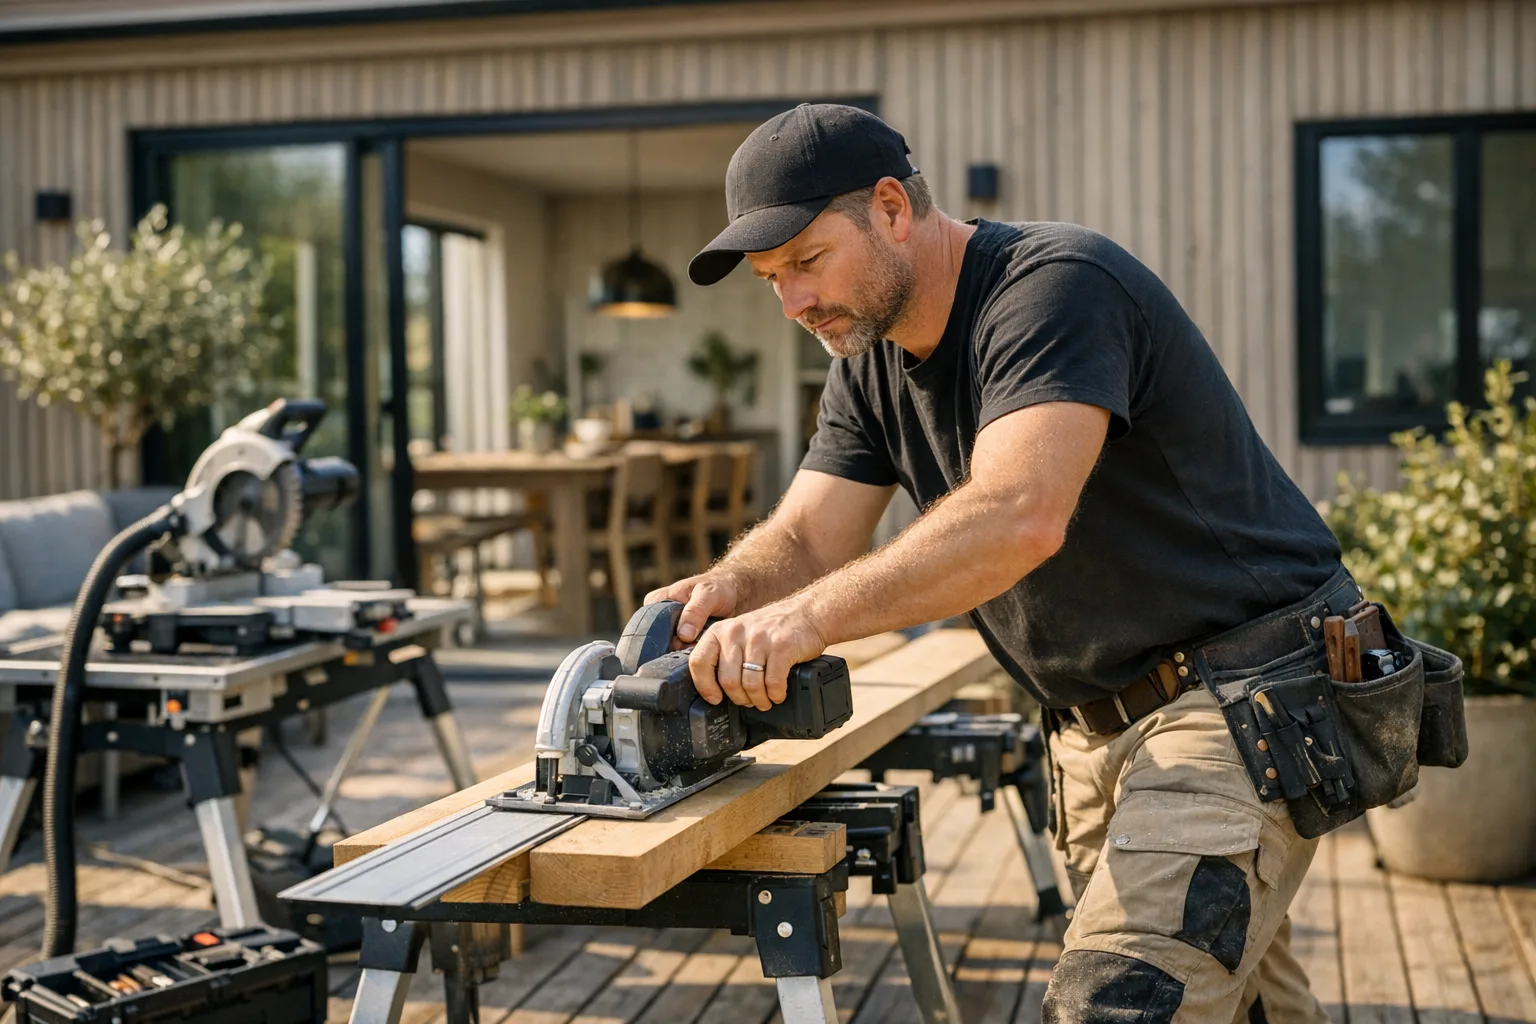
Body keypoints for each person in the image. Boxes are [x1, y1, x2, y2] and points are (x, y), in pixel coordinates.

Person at [649, 102, 1350, 1024]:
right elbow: (812, 538)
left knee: (1117, 1004)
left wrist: (804, 620)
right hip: (1094, 729)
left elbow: (1018, 516)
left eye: (808, 264)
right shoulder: (867, 360)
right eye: (770, 280)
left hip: (1234, 700)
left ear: (893, 208)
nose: (793, 304)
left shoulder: (1057, 288)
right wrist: (727, 590)